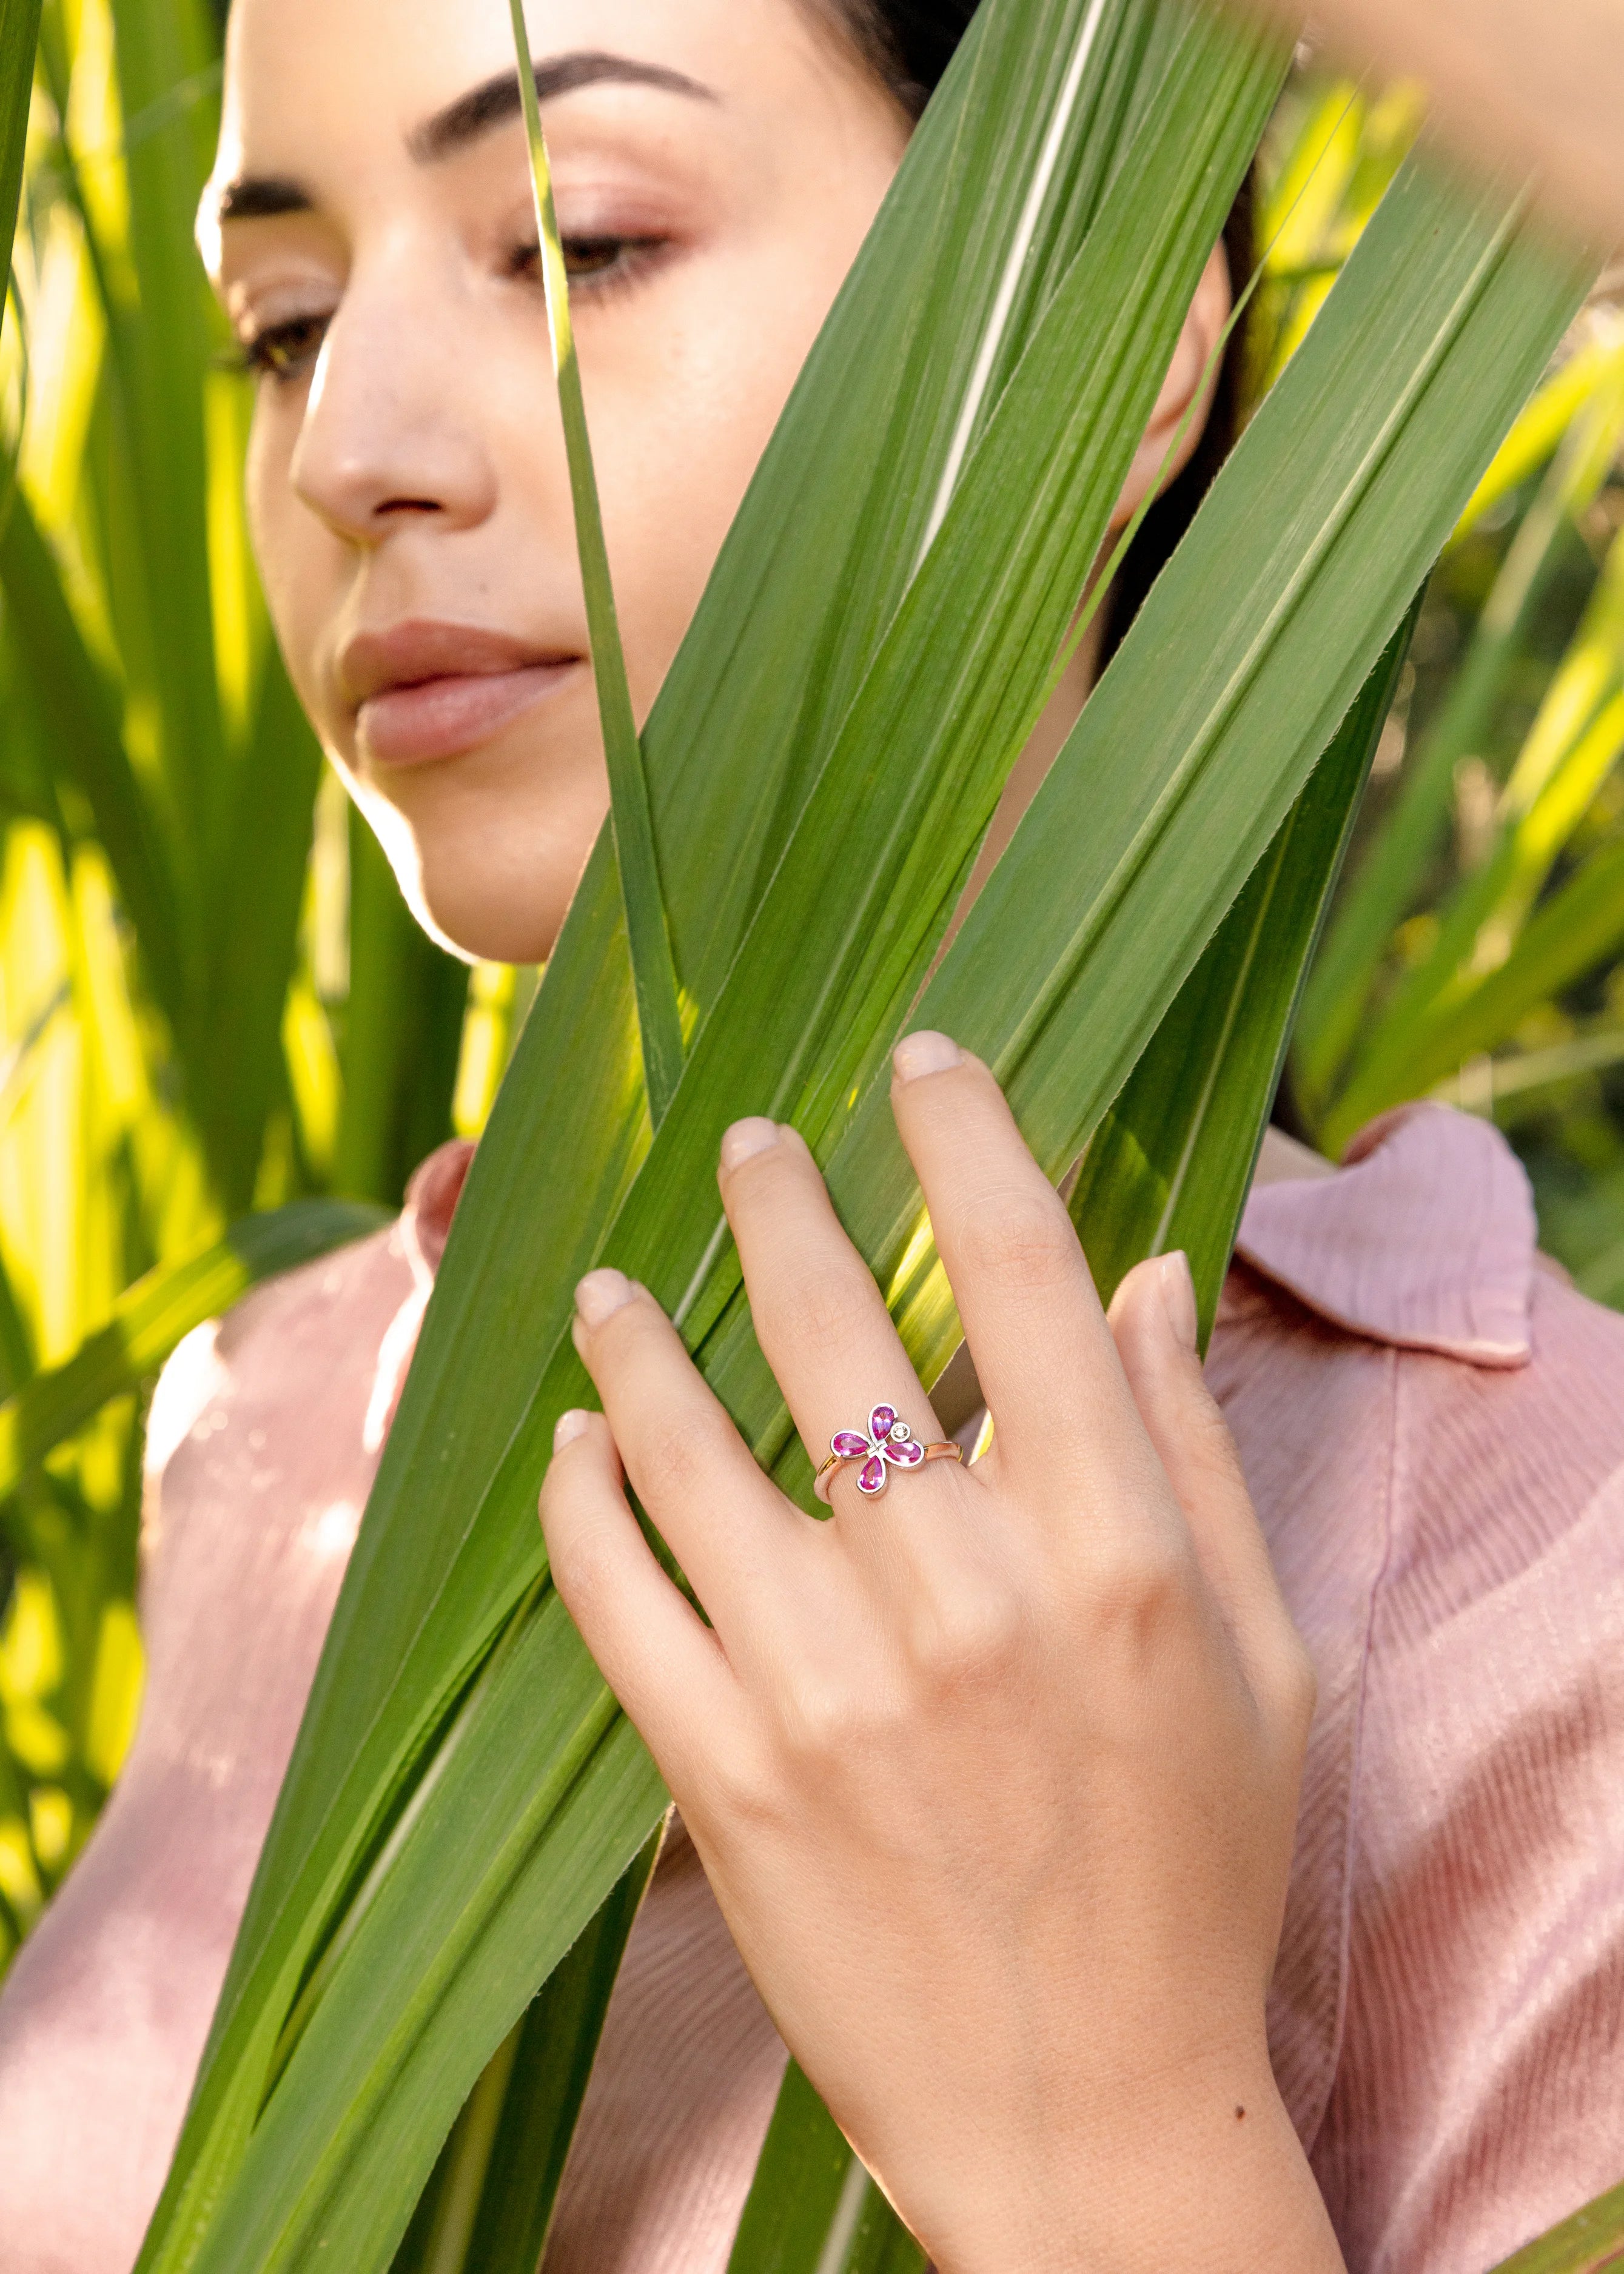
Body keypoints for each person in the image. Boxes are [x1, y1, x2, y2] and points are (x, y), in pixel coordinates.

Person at [1, 2, 1622, 2269]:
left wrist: (1118, 2131)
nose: (344, 445)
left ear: (1122, 334)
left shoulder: (1553, 1578)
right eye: (284, 320)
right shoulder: (273, 1429)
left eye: (576, 243)